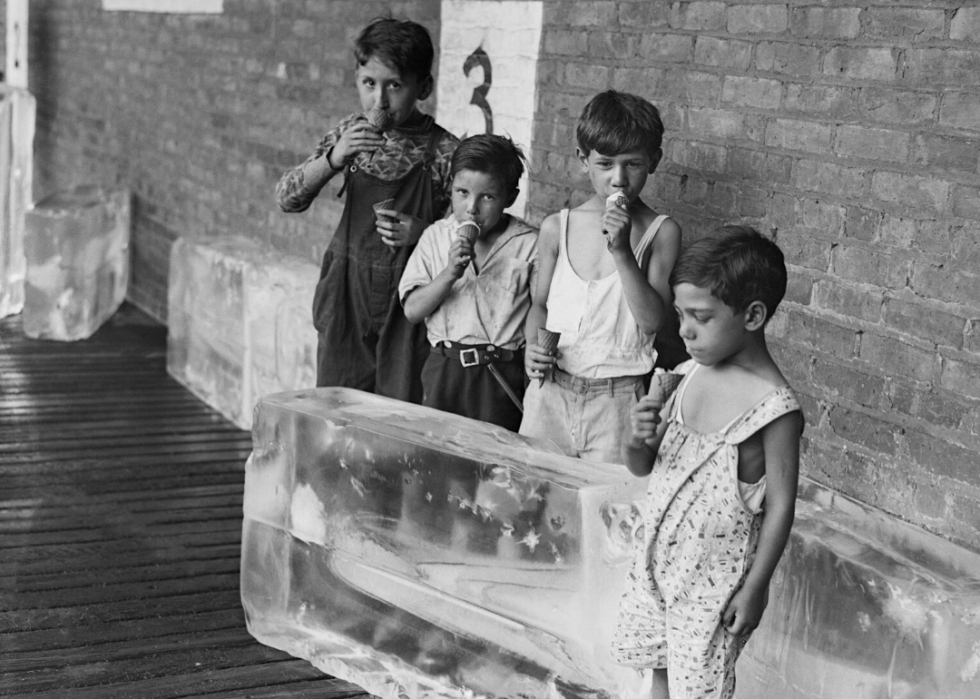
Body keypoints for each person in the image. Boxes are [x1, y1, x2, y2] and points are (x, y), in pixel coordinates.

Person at [612, 226, 804, 699]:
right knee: (657, 673)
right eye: (681, 315)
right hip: (655, 565)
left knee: (697, 689)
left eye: (701, 317)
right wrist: (634, 439)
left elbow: (781, 506)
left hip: (712, 586)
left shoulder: (774, 410)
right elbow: (644, 465)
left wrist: (755, 588)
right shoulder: (687, 375)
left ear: (753, 315)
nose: (684, 330)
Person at [275, 17, 459, 402]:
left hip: (408, 299)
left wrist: (424, 232)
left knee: (399, 412)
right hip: (347, 295)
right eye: (369, 84)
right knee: (337, 407)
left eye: (395, 85)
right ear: (356, 79)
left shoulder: (445, 151)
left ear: (424, 87)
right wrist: (333, 158)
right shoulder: (348, 134)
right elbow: (287, 199)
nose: (380, 101)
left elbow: (469, 238)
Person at [519, 90, 681, 463]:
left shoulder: (661, 231)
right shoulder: (557, 227)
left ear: (653, 161)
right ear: (583, 160)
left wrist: (622, 251)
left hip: (618, 401)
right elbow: (540, 305)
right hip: (550, 393)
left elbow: (653, 322)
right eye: (605, 164)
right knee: (531, 490)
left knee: (605, 497)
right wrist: (532, 346)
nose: (618, 179)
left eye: (633, 164)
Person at [399, 134, 536, 432]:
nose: (471, 208)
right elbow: (412, 311)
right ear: (450, 186)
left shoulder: (529, 244)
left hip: (500, 373)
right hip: (444, 368)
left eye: (487, 197)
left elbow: (540, 313)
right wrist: (449, 273)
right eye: (462, 192)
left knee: (495, 455)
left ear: (510, 198)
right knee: (438, 450)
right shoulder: (436, 236)